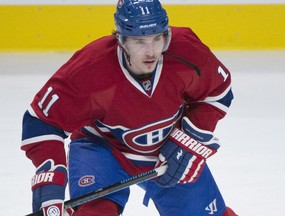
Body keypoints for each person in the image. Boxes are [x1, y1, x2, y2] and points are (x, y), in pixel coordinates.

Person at [21, 0, 237, 215]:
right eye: (139, 41)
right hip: (102, 148)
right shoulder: (90, 69)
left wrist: (190, 138)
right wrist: (50, 180)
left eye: (157, 38)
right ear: (121, 40)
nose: (151, 51)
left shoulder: (187, 52)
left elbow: (218, 92)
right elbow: (41, 121)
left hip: (167, 150)